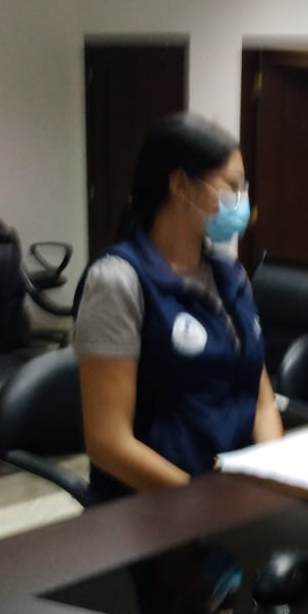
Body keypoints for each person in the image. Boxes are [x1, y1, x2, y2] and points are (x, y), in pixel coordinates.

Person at [73, 112, 282, 503]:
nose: (242, 200)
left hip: (234, 498)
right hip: (156, 508)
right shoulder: (118, 280)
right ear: (182, 185)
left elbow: (262, 400)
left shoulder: (231, 275)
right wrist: (205, 503)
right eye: (232, 186)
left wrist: (271, 478)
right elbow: (108, 441)